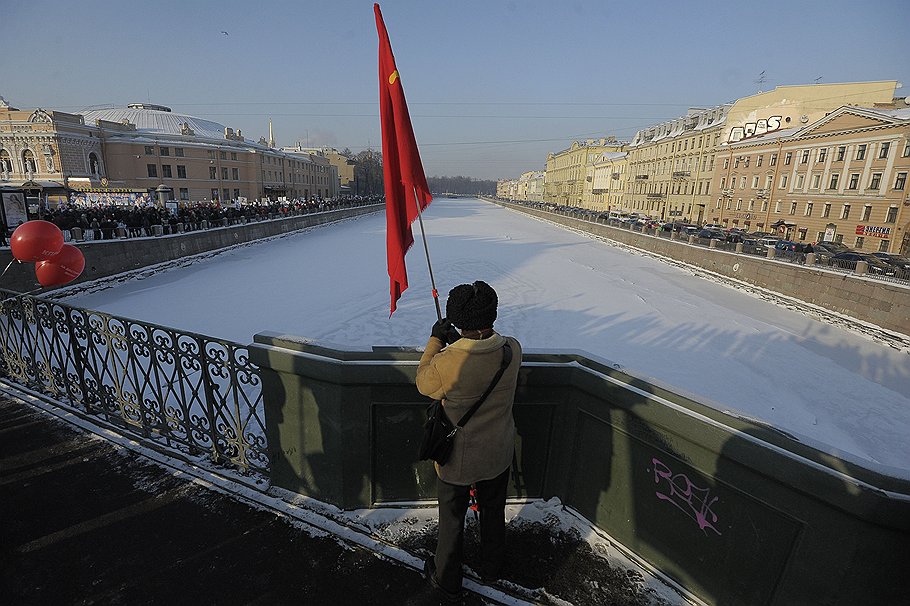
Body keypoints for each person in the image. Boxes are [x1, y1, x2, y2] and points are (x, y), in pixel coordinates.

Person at [416, 281, 522, 602]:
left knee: (451, 520)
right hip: (498, 451)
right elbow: (481, 349)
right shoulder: (511, 350)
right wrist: (463, 341)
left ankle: (447, 578)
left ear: (456, 320)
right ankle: (492, 566)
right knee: (493, 511)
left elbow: (424, 381)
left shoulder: (448, 363)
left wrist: (437, 340)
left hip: (458, 459)